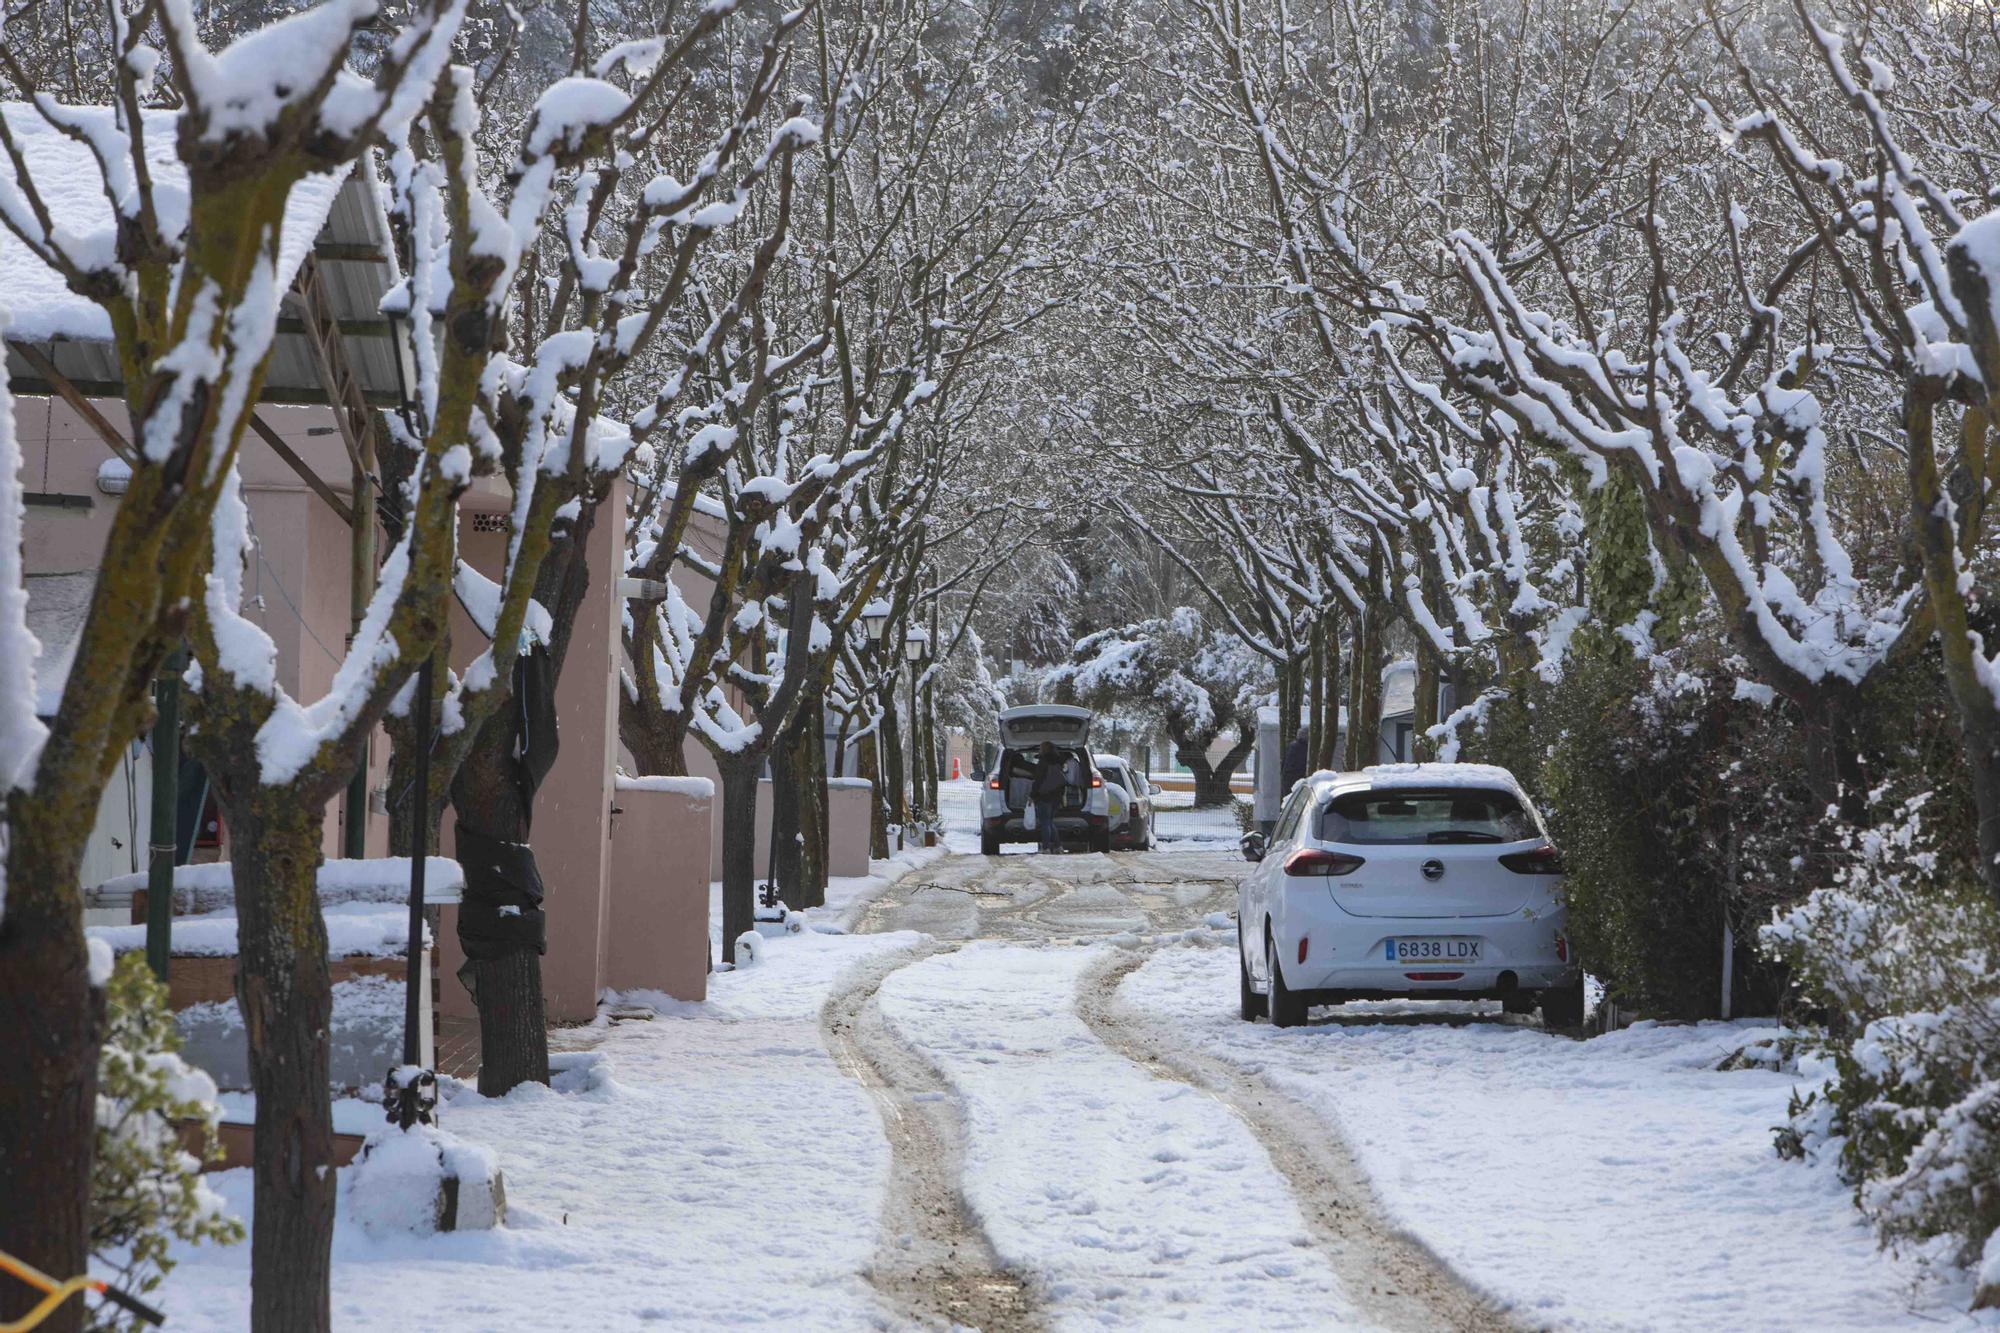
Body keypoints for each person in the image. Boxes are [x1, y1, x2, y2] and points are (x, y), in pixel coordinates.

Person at [1030, 740, 1066, 853]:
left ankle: (1045, 847)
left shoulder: (1043, 763)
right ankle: (1058, 846)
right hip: (1057, 796)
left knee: (1045, 822)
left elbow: (1038, 781)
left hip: (1044, 796)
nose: (1039, 749)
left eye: (1041, 748)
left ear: (1044, 749)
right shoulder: (1058, 762)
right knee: (1050, 821)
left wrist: (1032, 795)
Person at [1281, 724, 1309, 798]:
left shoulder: (1291, 745)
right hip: (1296, 780)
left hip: (1286, 778)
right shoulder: (1305, 748)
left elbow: (1283, 763)